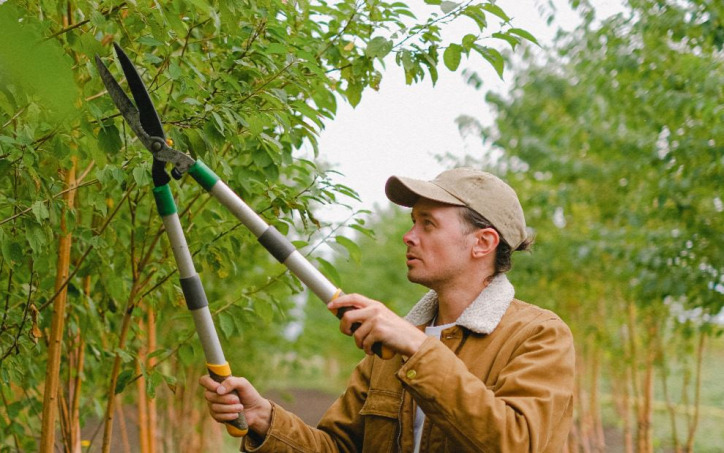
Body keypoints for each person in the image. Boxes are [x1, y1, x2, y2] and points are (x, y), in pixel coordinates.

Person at [200, 167, 575, 452]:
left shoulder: (537, 335)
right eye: (414, 222)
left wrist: (417, 347)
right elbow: (339, 447)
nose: (408, 236)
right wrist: (266, 419)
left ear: (483, 242)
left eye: (428, 224)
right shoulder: (390, 349)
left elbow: (517, 442)